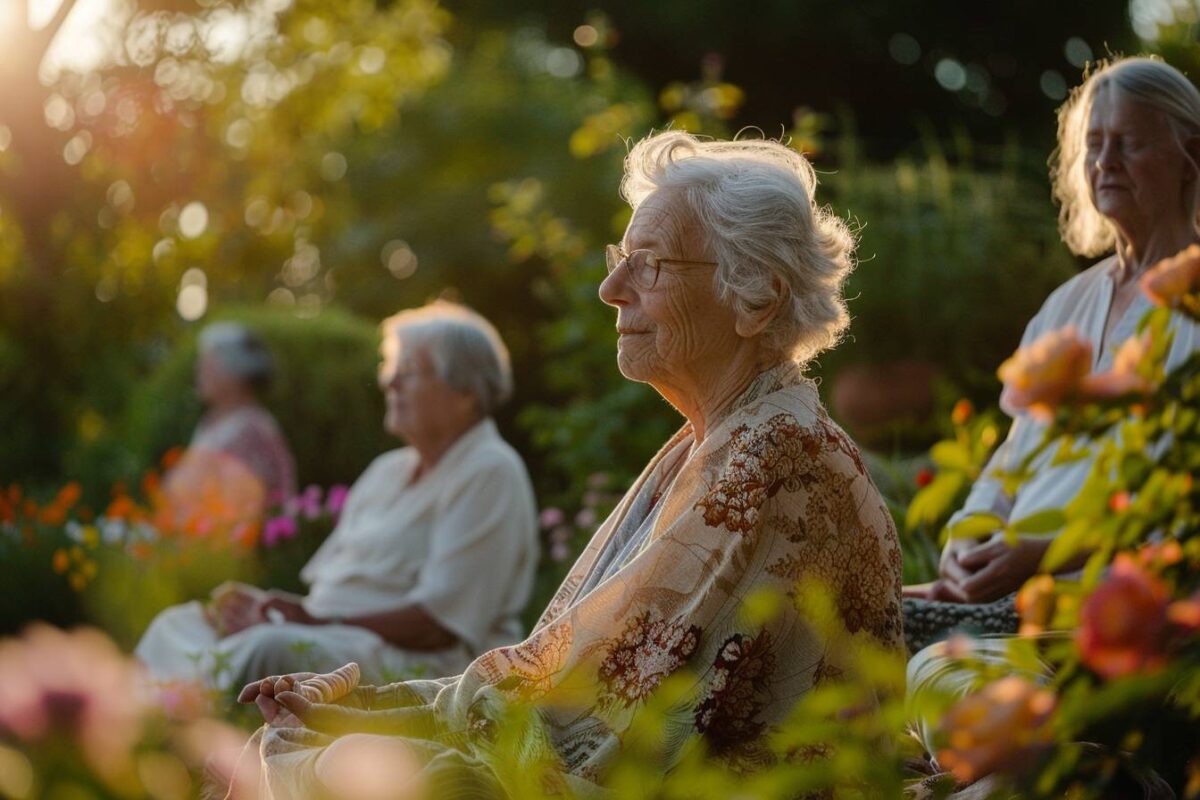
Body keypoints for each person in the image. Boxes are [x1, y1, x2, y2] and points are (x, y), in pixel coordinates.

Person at [225, 131, 904, 800]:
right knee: (324, 751)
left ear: (755, 297)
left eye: (650, 262)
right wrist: (367, 706)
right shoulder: (724, 437)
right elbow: (574, 675)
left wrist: (371, 711)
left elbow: (590, 708)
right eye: (621, 257)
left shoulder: (770, 454)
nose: (612, 287)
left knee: (346, 762)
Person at [906, 55, 1200, 784]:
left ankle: (1027, 766)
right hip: (1008, 593)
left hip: (1122, 610)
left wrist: (1043, 553)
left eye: (1129, 143)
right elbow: (1008, 461)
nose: (1105, 161)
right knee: (823, 624)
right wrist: (967, 546)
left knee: (942, 669)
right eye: (1092, 144)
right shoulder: (1070, 303)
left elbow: (1182, 503)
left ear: (1191, 151)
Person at [137, 302, 540, 689]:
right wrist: (269, 610)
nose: (390, 382)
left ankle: (177, 729)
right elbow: (328, 596)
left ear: (466, 392)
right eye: (391, 369)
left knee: (268, 649)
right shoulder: (387, 471)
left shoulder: (490, 470)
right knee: (179, 625)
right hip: (336, 636)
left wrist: (310, 624)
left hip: (417, 661)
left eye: (410, 371)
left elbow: (439, 625)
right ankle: (149, 730)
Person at [159, 322, 297, 525]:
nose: (198, 370)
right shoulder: (209, 423)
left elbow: (252, 505)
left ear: (234, 370)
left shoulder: (254, 429)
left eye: (207, 363)